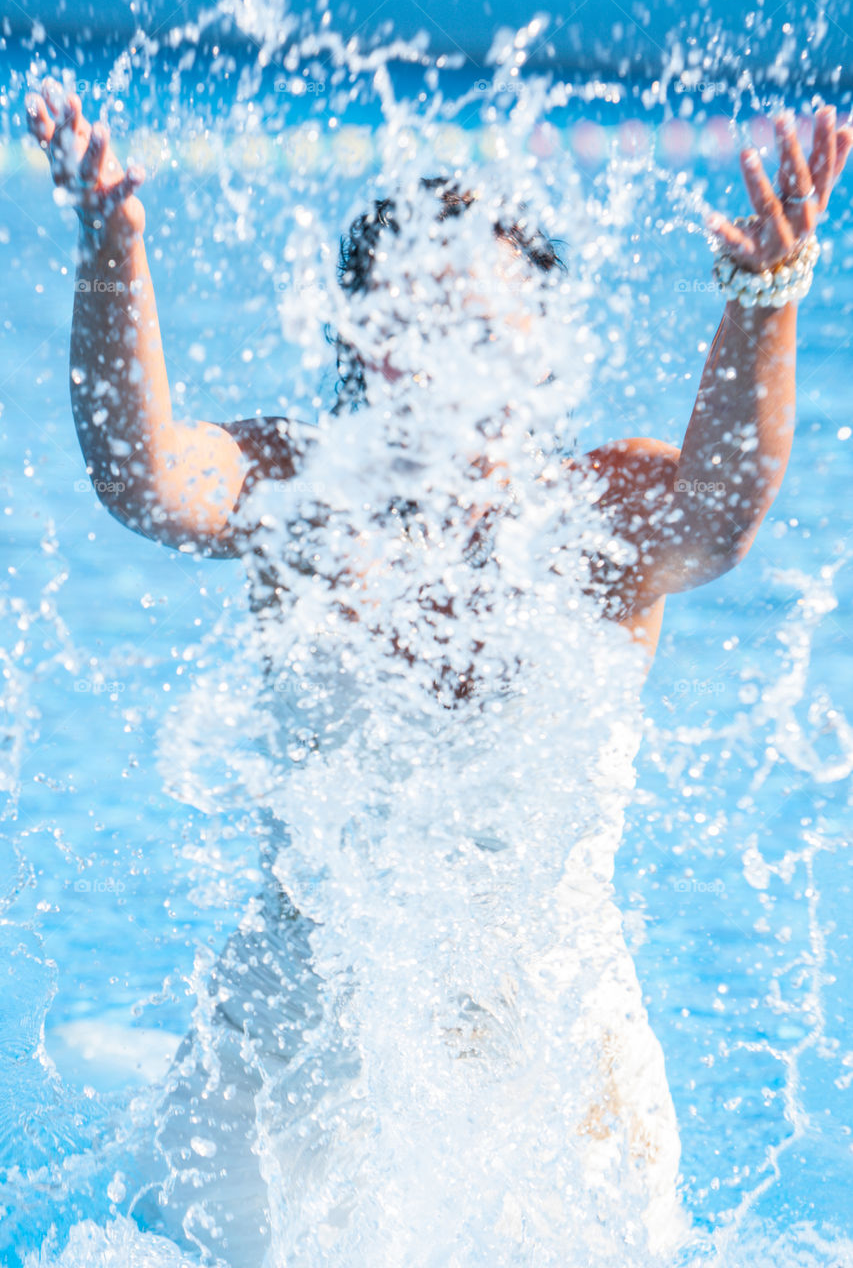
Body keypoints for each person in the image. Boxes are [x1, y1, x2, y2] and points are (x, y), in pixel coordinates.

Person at [24, 77, 853, 1264]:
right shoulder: (293, 484)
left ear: (540, 352)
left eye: (486, 332)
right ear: (365, 341)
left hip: (556, 1061)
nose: (455, 362)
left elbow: (722, 512)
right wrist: (115, 252)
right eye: (423, 327)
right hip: (296, 1051)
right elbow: (145, 475)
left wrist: (763, 299)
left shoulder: (598, 507)